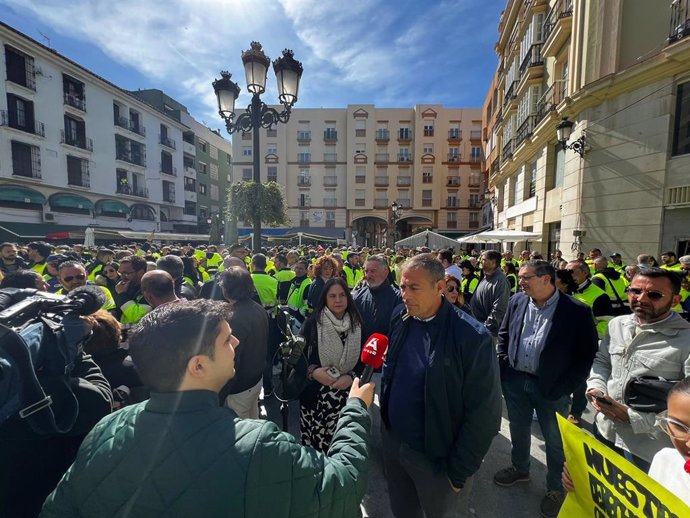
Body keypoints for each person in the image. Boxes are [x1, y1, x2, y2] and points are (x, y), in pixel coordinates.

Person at [41, 299, 375, 518]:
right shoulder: (259, 445)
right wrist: (356, 411)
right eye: (227, 340)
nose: (237, 343)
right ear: (198, 366)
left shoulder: (107, 428)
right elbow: (341, 487)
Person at [381, 254, 502, 518]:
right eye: (402, 286)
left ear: (440, 288)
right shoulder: (400, 317)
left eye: (414, 287)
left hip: (438, 461)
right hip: (396, 447)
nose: (405, 294)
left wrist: (458, 473)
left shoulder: (472, 337)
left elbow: (485, 414)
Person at [494, 260, 598, 518]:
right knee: (518, 428)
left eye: (526, 277)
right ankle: (520, 468)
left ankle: (555, 489)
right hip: (516, 381)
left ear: (546, 279)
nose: (521, 282)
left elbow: (586, 356)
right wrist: (504, 367)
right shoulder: (518, 301)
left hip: (551, 388)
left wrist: (565, 387)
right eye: (520, 277)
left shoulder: (576, 311)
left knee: (554, 441)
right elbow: (504, 334)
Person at [586, 267, 690, 471]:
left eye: (654, 294)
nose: (641, 298)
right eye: (634, 291)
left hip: (649, 452)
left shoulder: (686, 341)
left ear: (675, 300)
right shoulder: (617, 325)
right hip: (605, 432)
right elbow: (602, 361)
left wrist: (633, 418)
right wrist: (596, 388)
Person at [563, 376, 690, 508]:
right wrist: (582, 484)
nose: (688, 444)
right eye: (678, 426)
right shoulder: (664, 460)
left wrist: (631, 417)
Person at [300, 277, 363, 452]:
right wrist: (313, 372)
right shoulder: (313, 323)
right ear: (325, 299)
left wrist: (351, 377)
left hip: (345, 400)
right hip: (315, 401)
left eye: (342, 295)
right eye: (332, 296)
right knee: (316, 454)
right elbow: (297, 359)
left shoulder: (358, 324)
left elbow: (364, 362)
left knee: (342, 450)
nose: (338, 300)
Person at [218, 266, 268, 419]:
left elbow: (231, 359)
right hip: (255, 380)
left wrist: (221, 392)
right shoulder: (258, 308)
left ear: (227, 289)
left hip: (239, 387)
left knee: (239, 434)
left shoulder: (234, 317)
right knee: (252, 424)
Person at [352, 254, 402, 343]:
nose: (368, 275)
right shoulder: (358, 296)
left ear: (386, 272)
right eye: (366, 271)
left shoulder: (398, 298)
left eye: (373, 271)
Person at [469, 250, 510, 338]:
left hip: (487, 332)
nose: (480, 261)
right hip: (477, 327)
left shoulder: (500, 281)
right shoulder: (486, 277)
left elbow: (499, 309)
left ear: (493, 262)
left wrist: (485, 328)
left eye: (483, 259)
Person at [113, 255, 151, 324]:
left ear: (141, 272)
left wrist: (121, 295)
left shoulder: (149, 289)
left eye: (126, 273)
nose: (122, 277)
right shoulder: (122, 286)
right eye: (120, 273)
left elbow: (137, 316)